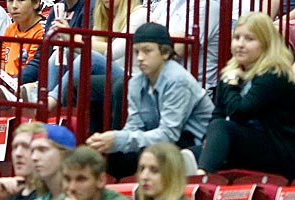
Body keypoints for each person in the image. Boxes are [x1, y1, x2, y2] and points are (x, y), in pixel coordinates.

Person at [85, 22, 214, 178]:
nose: (139, 58)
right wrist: (108, 142)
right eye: (137, 51)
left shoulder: (178, 80)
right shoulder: (136, 83)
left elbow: (169, 134)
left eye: (147, 51)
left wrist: (118, 139)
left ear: (165, 53)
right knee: (119, 156)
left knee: (140, 151)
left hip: (197, 144)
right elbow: (133, 127)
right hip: (163, 140)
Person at [197, 13, 295, 182]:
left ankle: (202, 180)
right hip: (250, 144)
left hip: (281, 153)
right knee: (191, 152)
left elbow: (240, 112)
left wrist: (232, 83)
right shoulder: (230, 73)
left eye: (249, 39)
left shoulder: (274, 75)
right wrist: (207, 141)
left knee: (223, 128)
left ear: (266, 44)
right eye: (237, 38)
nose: (240, 44)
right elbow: (218, 114)